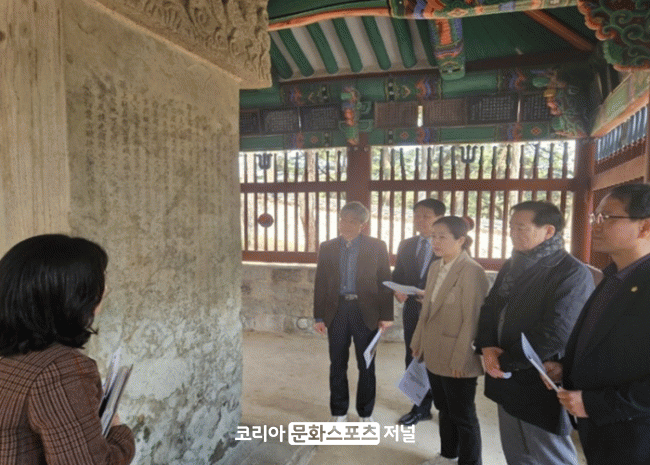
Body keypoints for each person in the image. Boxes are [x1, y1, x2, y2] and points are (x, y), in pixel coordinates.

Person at [474, 201, 594, 465]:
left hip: (538, 377)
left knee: (547, 451)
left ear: (548, 231)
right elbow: (490, 306)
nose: (512, 233)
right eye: (510, 227)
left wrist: (504, 361)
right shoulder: (513, 262)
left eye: (521, 228)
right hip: (504, 373)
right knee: (515, 449)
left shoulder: (571, 273)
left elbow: (556, 332)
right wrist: (486, 346)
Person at [0, 234, 135, 465]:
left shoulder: (11, 359)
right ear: (71, 296)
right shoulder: (60, 370)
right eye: (96, 282)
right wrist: (118, 431)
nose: (105, 289)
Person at [543, 183, 650, 465]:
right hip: (602, 431)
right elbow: (605, 343)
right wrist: (566, 367)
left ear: (645, 227)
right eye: (595, 217)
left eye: (607, 217)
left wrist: (596, 404)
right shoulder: (615, 275)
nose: (596, 225)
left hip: (635, 435)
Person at [411, 216, 489, 465]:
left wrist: (462, 359)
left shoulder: (472, 271)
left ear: (461, 240)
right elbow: (427, 311)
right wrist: (418, 342)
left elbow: (473, 320)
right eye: (433, 236)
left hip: (457, 355)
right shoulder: (436, 266)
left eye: (442, 237)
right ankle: (447, 455)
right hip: (434, 351)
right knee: (444, 408)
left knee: (463, 416)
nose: (435, 241)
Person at [313, 201, 393, 422]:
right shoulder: (328, 247)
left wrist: (386, 315)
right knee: (337, 363)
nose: (345, 225)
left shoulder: (377, 246)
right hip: (336, 310)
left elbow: (384, 281)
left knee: (366, 363)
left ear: (362, 225)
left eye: (352, 221)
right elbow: (320, 283)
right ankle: (339, 411)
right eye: (343, 220)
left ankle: (365, 412)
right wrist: (319, 316)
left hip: (365, 312)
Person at [393, 198, 446, 426]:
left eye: (426, 216)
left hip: (440, 313)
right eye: (417, 215)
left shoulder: (449, 244)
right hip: (413, 310)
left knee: (439, 358)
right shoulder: (406, 244)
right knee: (413, 355)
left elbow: (458, 281)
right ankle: (420, 407)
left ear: (439, 218)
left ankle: (445, 406)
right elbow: (398, 275)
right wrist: (397, 290)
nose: (420, 220)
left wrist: (432, 295)